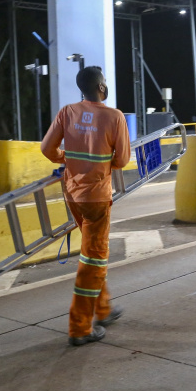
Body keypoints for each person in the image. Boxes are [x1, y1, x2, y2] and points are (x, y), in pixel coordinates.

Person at [41, 65, 130, 346]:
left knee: (92, 253)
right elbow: (122, 160)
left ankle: (103, 309)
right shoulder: (114, 116)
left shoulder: (67, 112)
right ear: (101, 87)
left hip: (73, 195)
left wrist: (66, 157)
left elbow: (47, 149)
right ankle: (80, 327)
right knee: (94, 260)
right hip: (97, 198)